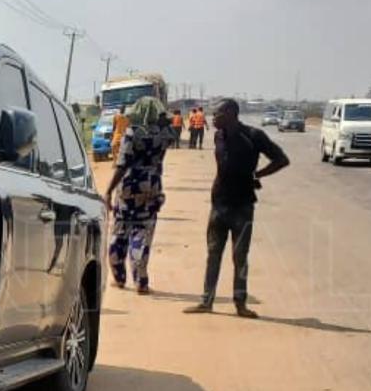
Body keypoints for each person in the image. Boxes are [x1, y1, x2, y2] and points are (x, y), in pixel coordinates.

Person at [184, 99, 289, 318]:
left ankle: (240, 303)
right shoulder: (218, 136)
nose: (213, 118)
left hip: (242, 206)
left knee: (240, 256)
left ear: (231, 113)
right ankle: (206, 301)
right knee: (213, 254)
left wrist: (257, 175)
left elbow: (281, 159)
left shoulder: (253, 136)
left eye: (218, 113)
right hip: (218, 205)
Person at [104, 97, 170, 294]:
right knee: (142, 232)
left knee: (119, 233)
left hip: (129, 188)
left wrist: (108, 191)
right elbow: (159, 161)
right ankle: (141, 281)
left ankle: (119, 277)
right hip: (151, 187)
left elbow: (122, 165)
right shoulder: (164, 135)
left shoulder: (132, 134)